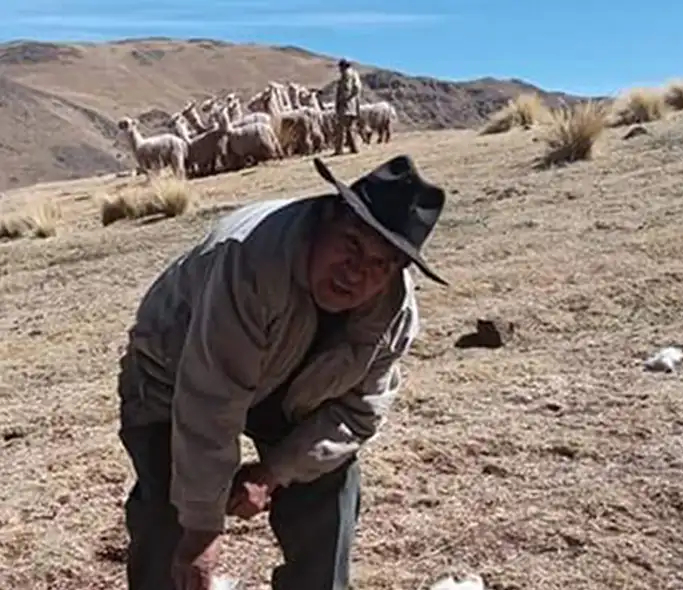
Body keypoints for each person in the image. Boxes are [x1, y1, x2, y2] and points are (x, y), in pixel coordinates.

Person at [115, 154, 448, 590]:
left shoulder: (394, 318)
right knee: (171, 513)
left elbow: (357, 413)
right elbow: (209, 401)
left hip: (293, 392)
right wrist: (202, 529)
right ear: (328, 216)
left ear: (397, 272)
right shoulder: (250, 263)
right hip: (174, 372)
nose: (357, 272)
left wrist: (274, 472)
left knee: (330, 485)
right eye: (352, 244)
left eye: (379, 264)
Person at [333, 58, 362, 156]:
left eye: (340, 67)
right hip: (352, 106)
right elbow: (357, 88)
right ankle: (355, 148)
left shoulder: (346, 75)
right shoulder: (355, 75)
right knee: (351, 128)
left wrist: (344, 99)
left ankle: (339, 149)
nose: (339, 69)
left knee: (341, 128)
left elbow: (347, 90)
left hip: (345, 106)